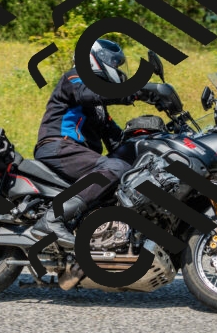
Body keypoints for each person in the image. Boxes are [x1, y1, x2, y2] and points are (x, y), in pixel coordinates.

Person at [30, 39, 139, 248]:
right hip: (58, 147)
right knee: (115, 167)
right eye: (114, 63)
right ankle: (52, 219)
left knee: (126, 169)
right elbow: (87, 94)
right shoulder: (74, 77)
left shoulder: (98, 108)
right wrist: (136, 91)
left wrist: (151, 136)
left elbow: (117, 141)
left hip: (76, 153)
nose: (117, 68)